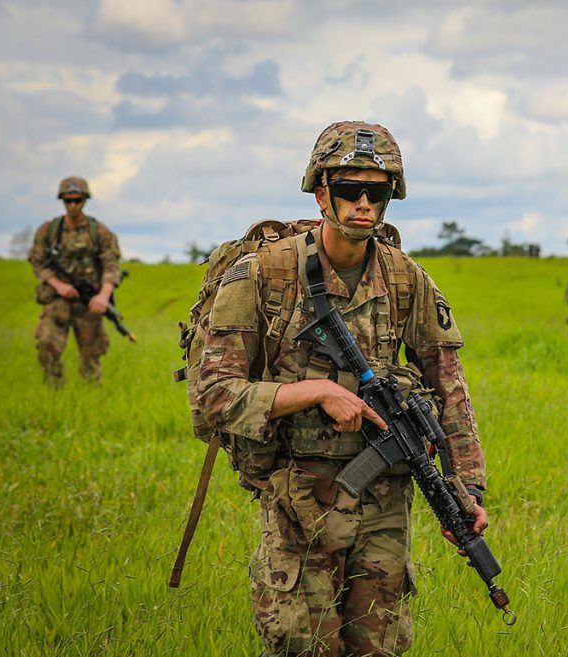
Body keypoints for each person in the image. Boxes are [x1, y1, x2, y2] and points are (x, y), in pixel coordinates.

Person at [197, 121, 488, 657]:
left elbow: (451, 390)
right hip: (297, 498)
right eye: (349, 188)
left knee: (381, 648)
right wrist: (312, 393)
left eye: (376, 192)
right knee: (303, 649)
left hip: (385, 501)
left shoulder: (407, 280)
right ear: (319, 191)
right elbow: (213, 395)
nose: (363, 202)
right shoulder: (262, 276)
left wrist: (466, 489)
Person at [28, 176, 122, 387]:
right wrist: (58, 285)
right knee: (46, 345)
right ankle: (54, 394)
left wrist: (103, 297)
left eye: (77, 200)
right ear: (62, 200)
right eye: (68, 200)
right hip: (57, 301)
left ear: (84, 200)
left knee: (91, 357)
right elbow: (37, 261)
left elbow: (111, 266)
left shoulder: (99, 232)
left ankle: (91, 397)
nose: (73, 205)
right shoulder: (49, 231)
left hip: (88, 304)